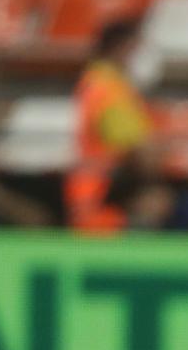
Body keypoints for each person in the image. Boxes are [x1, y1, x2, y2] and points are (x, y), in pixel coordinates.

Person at [64, 16, 172, 234]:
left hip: (95, 183)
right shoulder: (107, 86)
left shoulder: (98, 80)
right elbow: (134, 147)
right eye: (136, 47)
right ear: (121, 47)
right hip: (102, 190)